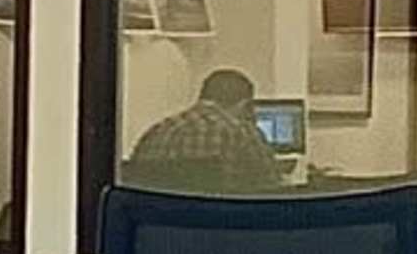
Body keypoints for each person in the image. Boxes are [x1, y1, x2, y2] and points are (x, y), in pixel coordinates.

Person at [119, 64, 295, 194]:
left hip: (162, 230)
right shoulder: (241, 132)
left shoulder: (158, 130)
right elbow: (271, 188)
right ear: (245, 105)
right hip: (221, 230)